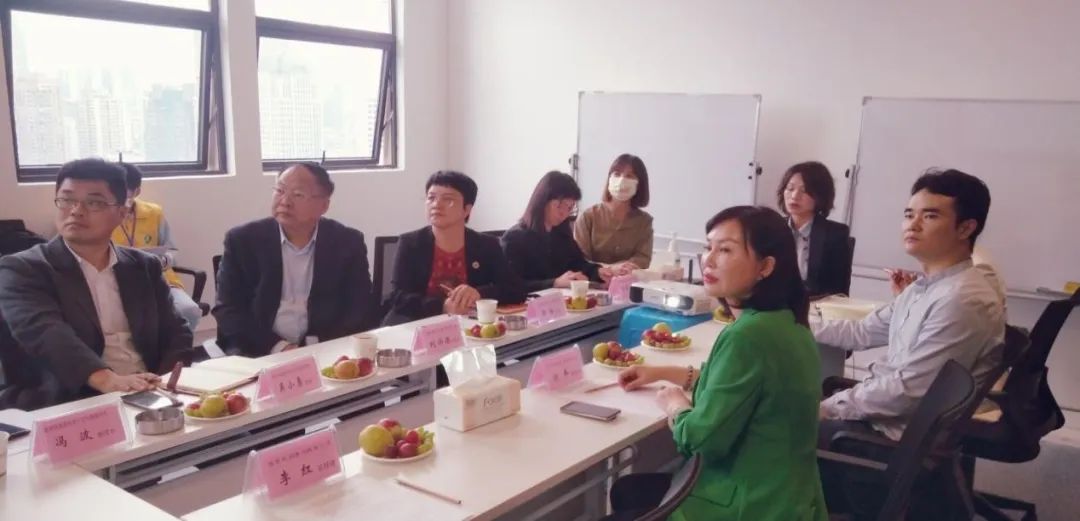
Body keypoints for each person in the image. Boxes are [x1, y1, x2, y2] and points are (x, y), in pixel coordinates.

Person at [609, 206, 827, 521]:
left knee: (628, 496)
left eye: (725, 250)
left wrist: (676, 406)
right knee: (629, 491)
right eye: (708, 247)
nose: (708, 260)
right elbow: (742, 387)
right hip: (789, 498)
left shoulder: (747, 336)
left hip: (747, 505)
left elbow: (700, 441)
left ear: (765, 266)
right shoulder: (788, 322)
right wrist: (662, 373)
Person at [814, 169, 1004, 443]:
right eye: (908, 214)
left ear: (965, 228)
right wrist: (796, 322)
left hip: (894, 437)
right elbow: (861, 332)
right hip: (883, 417)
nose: (912, 225)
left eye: (929, 216)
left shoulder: (962, 299)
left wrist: (827, 408)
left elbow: (908, 391)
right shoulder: (923, 288)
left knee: (770, 429)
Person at [0, 158, 193, 410]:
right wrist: (107, 380)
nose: (76, 211)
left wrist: (165, 382)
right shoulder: (22, 268)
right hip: (71, 399)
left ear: (121, 213)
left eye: (94, 203)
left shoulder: (144, 266)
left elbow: (177, 330)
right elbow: (46, 333)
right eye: (66, 200)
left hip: (149, 393)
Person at [213, 162, 374, 357]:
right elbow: (228, 310)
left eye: (297, 194)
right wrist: (281, 347)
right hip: (259, 350)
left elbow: (359, 306)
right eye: (280, 190)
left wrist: (319, 347)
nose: (285, 201)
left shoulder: (348, 242)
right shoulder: (242, 240)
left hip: (326, 350)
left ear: (324, 205)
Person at [382, 171, 525, 326]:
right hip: (418, 325)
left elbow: (515, 290)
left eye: (448, 199)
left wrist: (478, 293)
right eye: (431, 198)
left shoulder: (486, 244)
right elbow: (397, 297)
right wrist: (441, 306)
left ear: (467, 209)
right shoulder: (411, 243)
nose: (436, 205)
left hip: (469, 326)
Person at [111, 162, 202, 333]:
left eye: (124, 193)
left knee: (189, 310)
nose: (119, 199)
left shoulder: (154, 213)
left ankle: (179, 349)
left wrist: (164, 260)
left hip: (160, 279)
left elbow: (172, 250)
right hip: (119, 283)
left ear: (137, 191)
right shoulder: (102, 217)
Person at [501, 171, 613, 292]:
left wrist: (597, 271)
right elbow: (512, 285)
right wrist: (554, 283)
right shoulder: (514, 239)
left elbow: (578, 264)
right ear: (543, 201)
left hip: (563, 299)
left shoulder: (561, 235)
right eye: (559, 205)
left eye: (569, 207)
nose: (564, 213)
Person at [777, 161, 852, 297]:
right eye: (790, 188)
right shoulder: (772, 228)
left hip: (817, 305)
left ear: (820, 196)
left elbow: (839, 291)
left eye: (804, 191)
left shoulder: (835, 234)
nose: (794, 196)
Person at [574, 153, 654, 272]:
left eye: (629, 176)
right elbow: (580, 259)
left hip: (626, 280)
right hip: (592, 280)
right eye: (617, 174)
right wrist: (610, 269)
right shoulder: (588, 217)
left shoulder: (644, 222)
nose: (622, 180)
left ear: (639, 184)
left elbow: (642, 258)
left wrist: (625, 268)